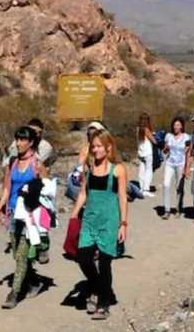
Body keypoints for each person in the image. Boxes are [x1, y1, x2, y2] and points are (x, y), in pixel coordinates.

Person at [69, 128, 128, 320]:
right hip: (90, 220)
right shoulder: (89, 168)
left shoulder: (118, 169)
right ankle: (96, 286)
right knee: (83, 258)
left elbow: (122, 197)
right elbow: (84, 193)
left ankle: (103, 303)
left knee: (104, 263)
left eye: (98, 146)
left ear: (108, 146)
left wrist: (123, 223)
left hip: (109, 222)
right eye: (93, 146)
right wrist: (74, 213)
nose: (94, 150)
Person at [0, 126, 48, 309]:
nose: (18, 143)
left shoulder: (37, 164)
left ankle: (14, 293)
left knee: (22, 256)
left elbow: (47, 191)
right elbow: (7, 188)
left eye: (22, 140)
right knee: (17, 254)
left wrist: (42, 219)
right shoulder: (13, 163)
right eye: (17, 139)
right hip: (13, 214)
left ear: (31, 142)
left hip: (30, 216)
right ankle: (33, 282)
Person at [161, 117, 191, 220]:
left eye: (178, 125)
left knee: (179, 187)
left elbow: (188, 153)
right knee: (165, 184)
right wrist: (166, 148)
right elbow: (164, 151)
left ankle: (179, 208)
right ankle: (167, 210)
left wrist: (187, 167)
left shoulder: (186, 137)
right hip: (170, 163)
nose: (175, 127)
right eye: (174, 125)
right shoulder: (168, 136)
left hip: (180, 164)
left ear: (182, 126)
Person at [136, 113, 156, 198]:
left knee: (141, 171)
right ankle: (146, 189)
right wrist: (154, 135)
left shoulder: (137, 129)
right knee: (148, 171)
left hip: (140, 153)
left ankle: (141, 188)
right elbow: (154, 141)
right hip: (148, 153)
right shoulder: (146, 129)